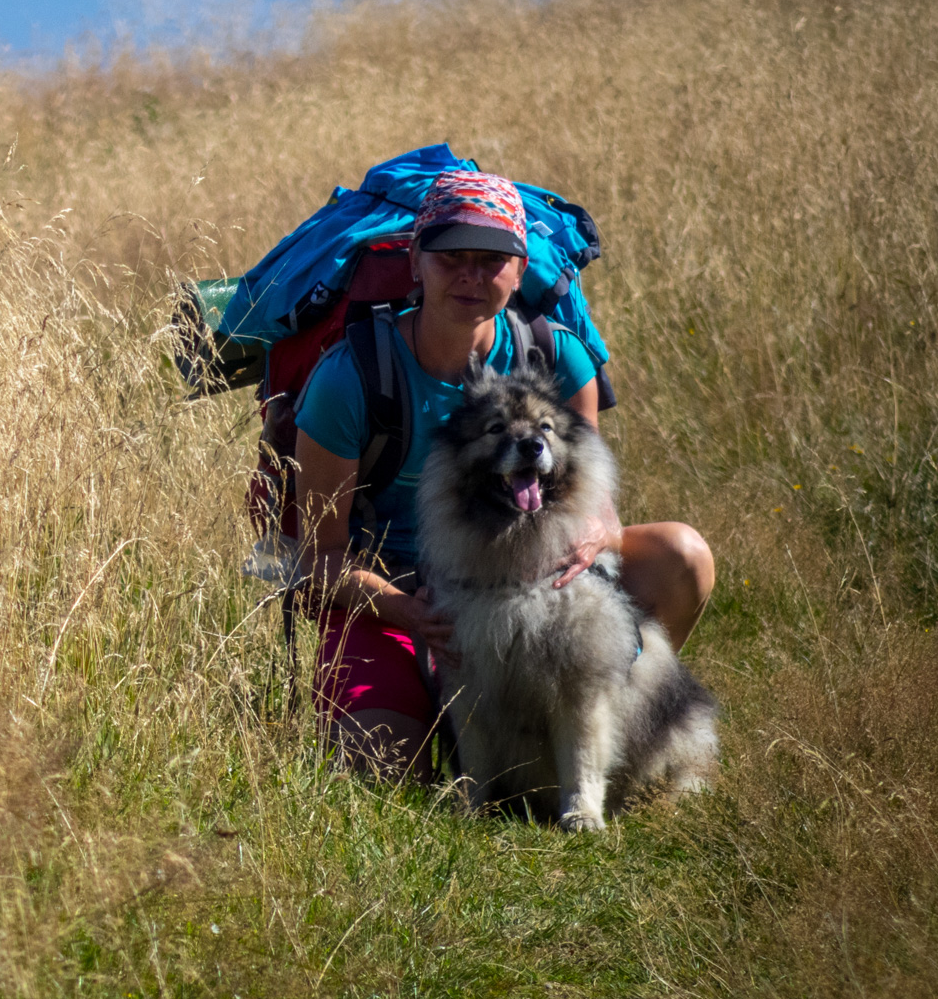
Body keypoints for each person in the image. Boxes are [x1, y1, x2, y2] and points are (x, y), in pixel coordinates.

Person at [291, 169, 715, 783]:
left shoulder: (555, 353)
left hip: (535, 576)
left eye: (490, 259)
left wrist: (598, 532)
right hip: (399, 592)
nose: (470, 275)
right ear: (415, 261)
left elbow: (588, 492)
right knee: (376, 767)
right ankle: (469, 737)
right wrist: (411, 612)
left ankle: (600, 726)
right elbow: (318, 556)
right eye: (450, 257)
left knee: (684, 555)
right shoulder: (350, 379)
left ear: (519, 270)